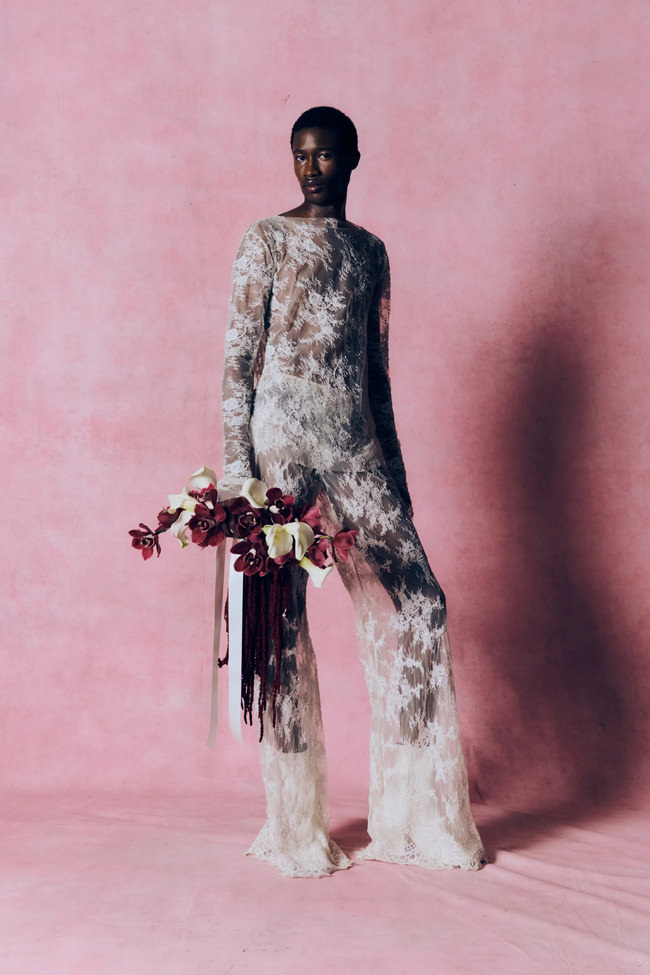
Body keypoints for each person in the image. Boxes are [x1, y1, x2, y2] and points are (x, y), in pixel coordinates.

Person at [218, 106, 487, 878]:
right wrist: (237, 478)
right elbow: (238, 361)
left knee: (422, 604)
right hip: (279, 449)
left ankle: (415, 814)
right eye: (301, 156)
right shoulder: (265, 240)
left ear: (354, 159)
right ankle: (295, 826)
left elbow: (377, 374)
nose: (312, 169)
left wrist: (393, 477)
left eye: (327, 156)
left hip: (354, 446)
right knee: (280, 626)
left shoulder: (370, 252)